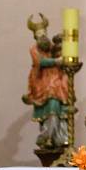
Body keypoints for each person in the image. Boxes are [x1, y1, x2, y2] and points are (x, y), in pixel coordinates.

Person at [22, 14, 69, 150]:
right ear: (35, 36)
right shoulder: (34, 49)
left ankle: (60, 137)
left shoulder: (51, 47)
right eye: (39, 33)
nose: (42, 35)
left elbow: (60, 51)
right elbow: (40, 62)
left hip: (56, 81)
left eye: (44, 32)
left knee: (60, 108)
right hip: (42, 81)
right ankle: (47, 136)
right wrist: (56, 61)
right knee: (50, 107)